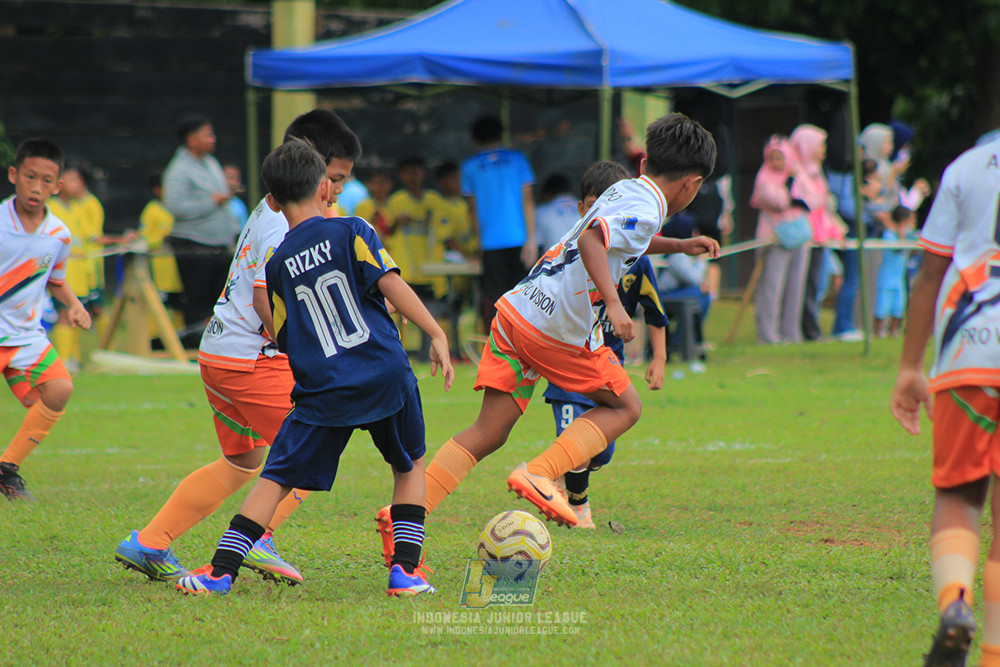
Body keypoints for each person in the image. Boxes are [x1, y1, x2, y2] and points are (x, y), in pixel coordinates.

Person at [375, 113, 717, 566]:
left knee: (488, 431)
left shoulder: (624, 190)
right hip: (556, 328)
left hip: (518, 310)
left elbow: (618, 238)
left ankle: (404, 516)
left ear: (646, 161)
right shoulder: (649, 205)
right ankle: (541, 473)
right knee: (626, 406)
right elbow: (596, 242)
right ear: (692, 185)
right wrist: (614, 305)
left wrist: (677, 245)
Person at [174, 138, 454, 597]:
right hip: (384, 372)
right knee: (409, 465)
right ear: (326, 187)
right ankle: (404, 571)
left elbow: (286, 337)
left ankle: (220, 572)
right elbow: (390, 283)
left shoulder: (279, 262)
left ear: (270, 200)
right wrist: (436, 333)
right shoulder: (352, 230)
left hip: (324, 388)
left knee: (276, 477)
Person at [114, 109, 361, 585]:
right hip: (254, 359)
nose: (338, 192)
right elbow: (264, 292)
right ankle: (256, 539)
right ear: (310, 170)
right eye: (335, 179)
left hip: (220, 354)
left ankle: (150, 542)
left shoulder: (272, 207)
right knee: (313, 447)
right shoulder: (287, 222)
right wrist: (301, 347)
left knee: (244, 461)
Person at [890, 135, 1000, 667]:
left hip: (969, 348)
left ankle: (955, 603)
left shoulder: (967, 166)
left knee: (959, 496)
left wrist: (911, 366)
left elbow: (929, 272)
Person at [542, 160, 667, 528]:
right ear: (582, 209)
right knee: (570, 438)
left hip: (607, 363)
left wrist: (658, 357)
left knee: (600, 450)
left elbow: (655, 314)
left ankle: (557, 476)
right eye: (593, 206)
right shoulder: (568, 252)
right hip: (567, 360)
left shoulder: (637, 263)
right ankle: (575, 506)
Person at [0, 139, 92, 500]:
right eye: (29, 177)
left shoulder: (59, 234)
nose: (36, 187)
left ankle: (7, 469)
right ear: (13, 176)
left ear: (58, 186)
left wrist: (74, 304)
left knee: (59, 389)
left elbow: (54, 279)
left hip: (24, 336)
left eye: (46, 180)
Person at [162, 115, 239, 338]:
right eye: (207, 134)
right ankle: (196, 347)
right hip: (194, 246)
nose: (213, 139)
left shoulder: (211, 163)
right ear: (191, 139)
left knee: (220, 299)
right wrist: (212, 202)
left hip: (218, 246)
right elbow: (174, 206)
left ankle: (219, 345)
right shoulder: (179, 169)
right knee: (197, 300)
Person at [461, 115, 537, 330]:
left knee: (497, 300)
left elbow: (472, 210)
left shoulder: (469, 167)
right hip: (520, 239)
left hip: (490, 242)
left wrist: (479, 242)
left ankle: (499, 347)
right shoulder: (518, 159)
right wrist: (531, 239)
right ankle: (525, 344)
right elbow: (528, 200)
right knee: (524, 297)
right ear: (501, 134)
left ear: (474, 139)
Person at [751, 135, 810, 345]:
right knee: (771, 288)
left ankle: (791, 333)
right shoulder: (763, 178)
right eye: (772, 158)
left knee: (795, 288)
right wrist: (792, 189)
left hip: (799, 236)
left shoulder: (799, 171)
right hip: (773, 238)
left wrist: (796, 197)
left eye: (780, 158)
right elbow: (779, 201)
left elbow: (814, 198)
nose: (776, 163)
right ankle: (767, 335)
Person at [387, 156, 446, 359]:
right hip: (405, 267)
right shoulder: (396, 201)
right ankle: (399, 351)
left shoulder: (434, 200)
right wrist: (397, 222)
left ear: (423, 173)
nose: (413, 176)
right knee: (399, 312)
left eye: (417, 171)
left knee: (427, 313)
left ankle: (426, 352)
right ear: (402, 176)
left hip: (430, 269)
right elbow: (386, 232)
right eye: (408, 172)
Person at [790, 124, 844, 342]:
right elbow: (810, 203)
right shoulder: (798, 172)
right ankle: (808, 330)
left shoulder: (816, 172)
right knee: (808, 286)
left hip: (822, 239)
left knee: (817, 286)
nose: (823, 150)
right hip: (807, 238)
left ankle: (812, 328)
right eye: (820, 145)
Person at [138, 170, 184, 328]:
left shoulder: (179, 209)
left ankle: (182, 337)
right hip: (160, 270)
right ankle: (155, 340)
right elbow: (144, 239)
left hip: (179, 267)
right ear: (157, 189)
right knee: (159, 306)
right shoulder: (151, 211)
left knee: (179, 305)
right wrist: (162, 237)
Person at [874, 205, 915, 338]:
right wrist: (900, 232)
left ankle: (893, 332)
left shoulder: (907, 234)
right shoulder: (889, 234)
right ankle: (878, 333)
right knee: (882, 308)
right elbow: (898, 248)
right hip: (886, 278)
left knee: (898, 308)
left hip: (899, 278)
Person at [534, 173, 578, 254]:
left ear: (547, 195)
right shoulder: (586, 208)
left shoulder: (541, 213)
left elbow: (536, 245)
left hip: (555, 263)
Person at [355, 168, 393, 243]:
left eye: (383, 182)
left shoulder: (395, 205)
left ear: (390, 184)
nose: (380, 186)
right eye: (377, 183)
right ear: (370, 185)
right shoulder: (362, 207)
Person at [223, 162, 249, 230]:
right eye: (230, 177)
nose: (233, 183)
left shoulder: (239, 205)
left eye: (237, 179)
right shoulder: (214, 201)